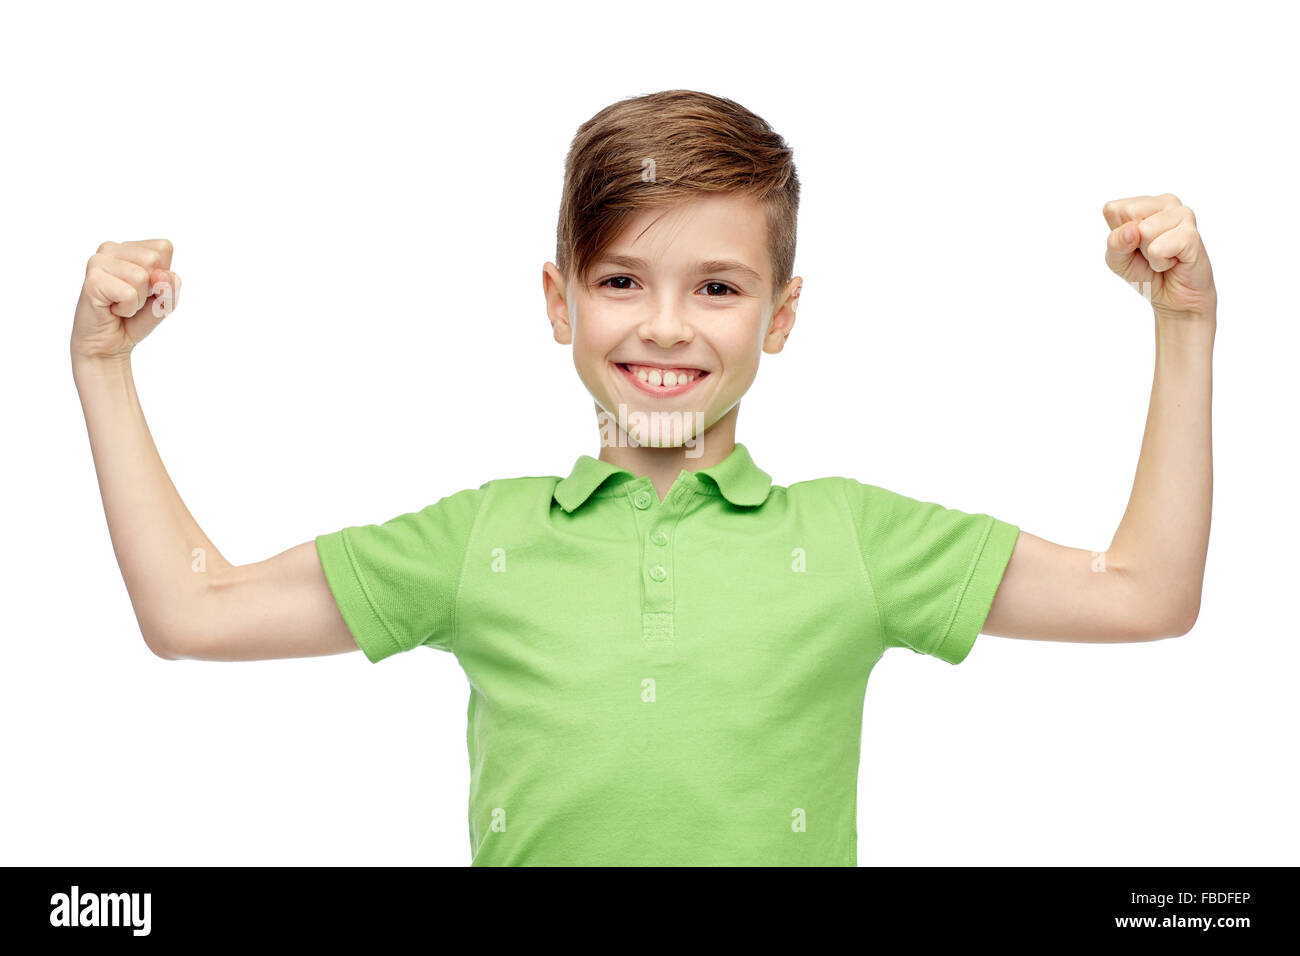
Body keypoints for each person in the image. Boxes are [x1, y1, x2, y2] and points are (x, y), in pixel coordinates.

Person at [69, 89, 1216, 866]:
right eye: (623, 280)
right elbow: (193, 610)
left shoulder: (857, 538)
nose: (666, 326)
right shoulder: (482, 539)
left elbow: (1142, 590)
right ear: (560, 299)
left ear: (781, 315)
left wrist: (1184, 326)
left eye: (717, 286)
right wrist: (103, 367)